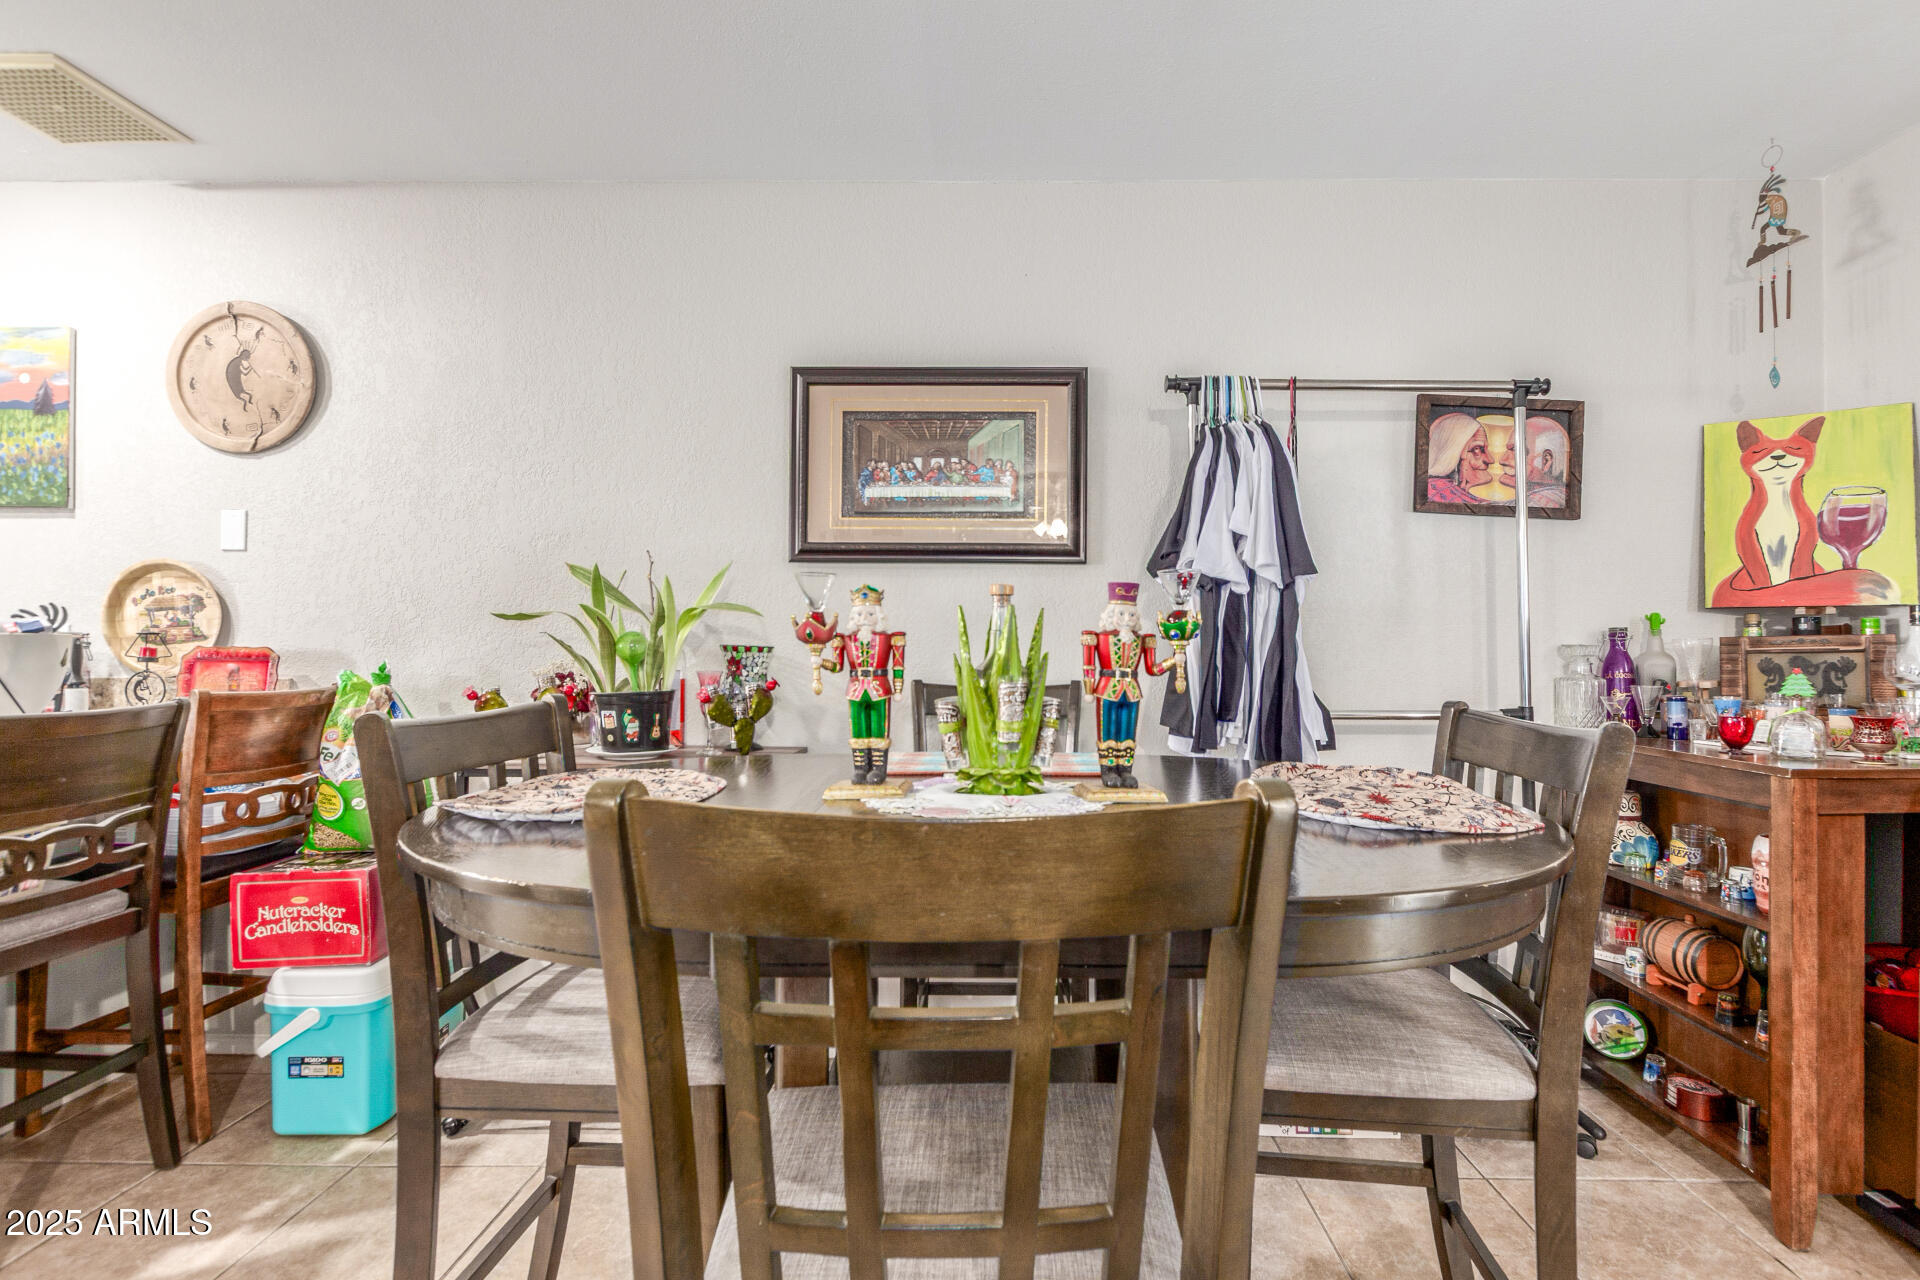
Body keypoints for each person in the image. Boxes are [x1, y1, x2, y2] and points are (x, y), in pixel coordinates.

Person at [1081, 582, 1180, 788]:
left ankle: (1125, 771)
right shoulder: (1098, 638)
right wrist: (1089, 690)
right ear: (1110, 615)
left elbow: (1152, 668)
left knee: (1128, 731)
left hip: (1132, 690)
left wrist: (1173, 660)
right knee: (1107, 730)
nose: (1127, 619)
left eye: (1131, 615)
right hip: (1107, 689)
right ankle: (1108, 770)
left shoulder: (1143, 640)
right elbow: (1088, 664)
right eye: (1122, 614)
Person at [815, 584, 906, 784]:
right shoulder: (844, 639)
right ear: (853, 617)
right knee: (858, 730)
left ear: (879, 616)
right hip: (855, 689)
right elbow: (838, 666)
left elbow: (898, 665)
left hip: (879, 688)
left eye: (870, 613)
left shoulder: (890, 638)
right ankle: (860, 769)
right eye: (860, 614)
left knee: (878, 729)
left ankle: (878, 770)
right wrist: (821, 662)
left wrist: (898, 688)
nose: (864, 618)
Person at [1425, 412, 1494, 504]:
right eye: (1477, 449)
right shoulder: (1435, 491)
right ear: (1453, 455)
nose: (1490, 460)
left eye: (1485, 449)